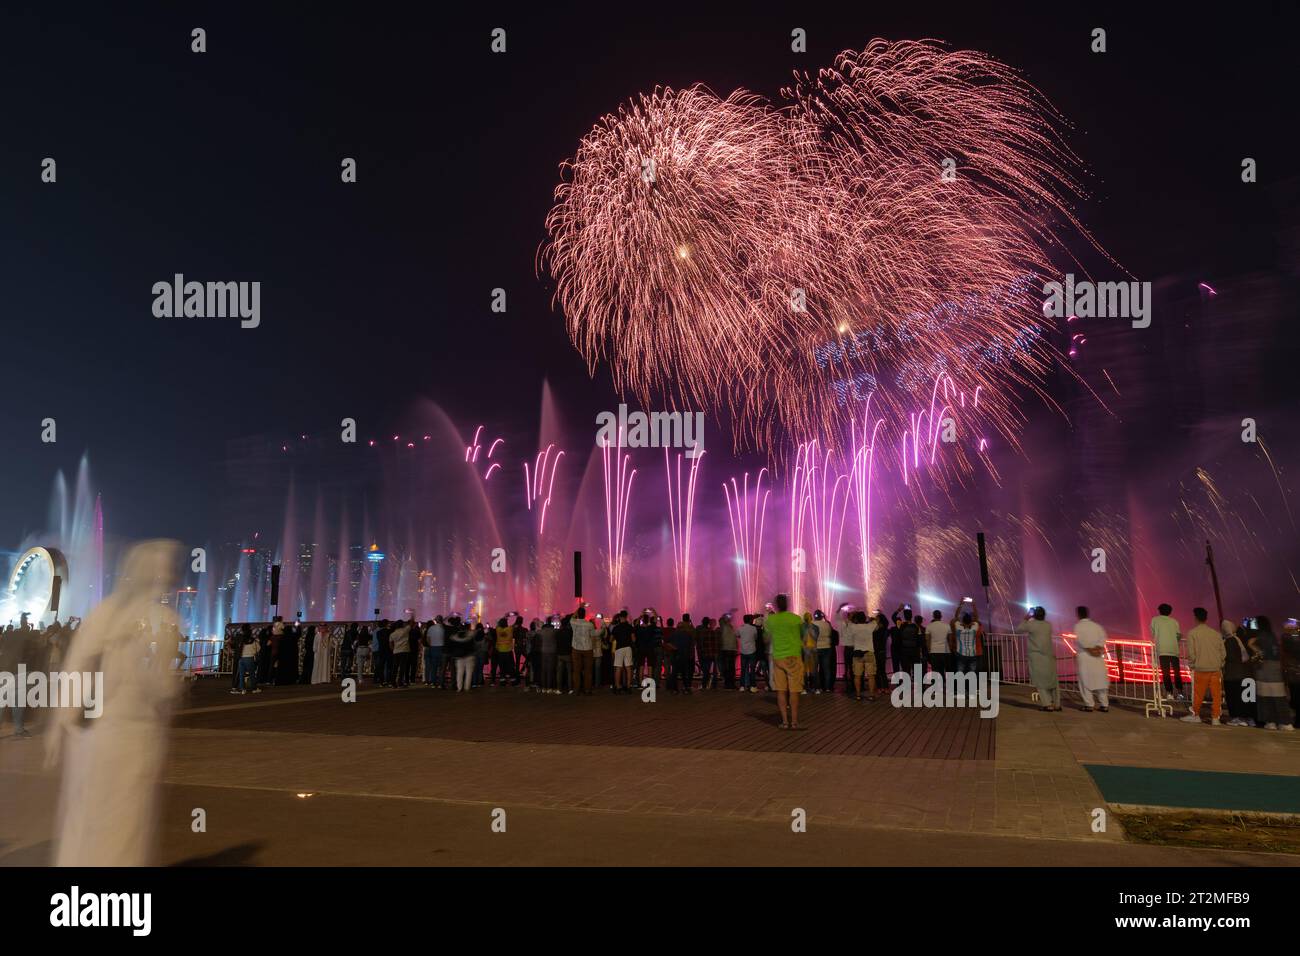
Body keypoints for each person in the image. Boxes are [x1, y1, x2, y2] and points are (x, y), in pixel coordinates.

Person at [45, 541, 185, 866]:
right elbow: (162, 688)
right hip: (133, 736)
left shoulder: (107, 611)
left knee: (88, 817)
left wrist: (61, 722)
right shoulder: (162, 619)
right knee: (123, 825)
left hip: (98, 736)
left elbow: (75, 667)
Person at [1247, 617, 1295, 731]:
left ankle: (1271, 721)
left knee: (1265, 699)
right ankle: (1285, 722)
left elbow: (1257, 651)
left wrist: (1251, 645)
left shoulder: (1260, 637)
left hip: (1264, 670)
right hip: (1276, 670)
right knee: (1279, 698)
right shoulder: (1272, 636)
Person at [766, 595, 805, 729]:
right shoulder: (796, 618)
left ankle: (784, 721)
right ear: (787, 604)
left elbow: (766, 638)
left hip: (778, 657)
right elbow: (803, 635)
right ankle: (794, 722)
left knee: (781, 690)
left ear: (776, 605)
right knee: (794, 691)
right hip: (793, 656)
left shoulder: (771, 620)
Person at [1181, 607, 1225, 725]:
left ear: (1195, 618)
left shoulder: (1192, 633)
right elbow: (1223, 652)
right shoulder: (1216, 634)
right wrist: (1220, 664)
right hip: (1215, 668)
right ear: (1206, 618)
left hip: (1201, 668)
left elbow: (1191, 653)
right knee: (1216, 695)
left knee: (1198, 694)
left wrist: (1192, 665)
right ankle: (1215, 718)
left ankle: (1196, 715)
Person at [1016, 606, 1060, 711]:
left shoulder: (1031, 625)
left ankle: (1047, 704)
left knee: (1040, 681)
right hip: (1049, 656)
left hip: (1036, 657)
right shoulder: (1048, 625)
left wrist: (1026, 618)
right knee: (1053, 681)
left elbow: (1019, 629)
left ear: (1034, 614)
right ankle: (1057, 704)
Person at [1074, 606, 1109, 712]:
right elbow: (1103, 637)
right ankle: (1104, 704)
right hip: (1098, 655)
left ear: (1078, 614)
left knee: (1085, 680)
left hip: (1085, 655)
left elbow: (1081, 640)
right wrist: (1097, 648)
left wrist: (1090, 650)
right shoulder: (1097, 626)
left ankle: (1089, 704)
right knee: (1100, 680)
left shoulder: (1078, 626)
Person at [1221, 619, 1255, 726]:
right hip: (1245, 673)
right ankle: (1248, 718)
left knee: (1233, 696)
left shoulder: (1229, 641)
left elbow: (1230, 657)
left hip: (1233, 674)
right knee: (1245, 698)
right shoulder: (1240, 640)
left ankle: (1237, 718)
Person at [1150, 603, 1184, 701]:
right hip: (1174, 650)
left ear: (1159, 611)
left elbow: (1153, 633)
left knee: (1166, 673)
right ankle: (1180, 693)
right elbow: (1178, 635)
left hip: (1162, 649)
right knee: (1177, 673)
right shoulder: (1174, 621)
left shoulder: (1154, 620)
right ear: (1170, 612)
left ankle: (1169, 693)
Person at [845, 610, 876, 700]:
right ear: (864, 618)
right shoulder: (870, 626)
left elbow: (848, 624)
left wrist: (851, 617)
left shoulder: (853, 627)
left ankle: (858, 695)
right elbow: (876, 620)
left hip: (857, 654)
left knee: (857, 675)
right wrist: (871, 618)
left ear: (857, 619)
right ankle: (871, 695)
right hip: (869, 652)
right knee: (871, 676)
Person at [948, 600, 983, 674]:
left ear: (962, 621)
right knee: (972, 673)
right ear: (971, 621)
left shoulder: (959, 628)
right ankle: (971, 685)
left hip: (961, 654)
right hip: (972, 654)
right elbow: (976, 618)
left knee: (960, 672)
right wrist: (973, 605)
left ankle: (961, 685)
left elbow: (956, 617)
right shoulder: (974, 629)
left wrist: (960, 604)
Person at [570, 607, 596, 694]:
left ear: (578, 614)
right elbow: (592, 635)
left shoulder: (573, 622)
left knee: (576, 670)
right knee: (588, 670)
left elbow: (572, 617)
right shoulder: (590, 624)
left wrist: (577, 610)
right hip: (587, 648)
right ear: (585, 615)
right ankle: (587, 689)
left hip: (576, 648)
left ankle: (576, 690)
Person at [668, 615, 695, 693]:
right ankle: (686, 688)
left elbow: (668, 643)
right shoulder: (687, 635)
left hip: (676, 655)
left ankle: (675, 689)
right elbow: (691, 644)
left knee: (675, 673)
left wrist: (674, 648)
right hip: (685, 656)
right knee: (684, 673)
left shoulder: (674, 634)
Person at [610, 611, 636, 694]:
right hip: (628, 648)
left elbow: (611, 639)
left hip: (619, 648)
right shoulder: (629, 627)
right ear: (626, 617)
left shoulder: (616, 628)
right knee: (628, 668)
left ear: (620, 617)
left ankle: (618, 687)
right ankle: (628, 687)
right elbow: (633, 639)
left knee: (618, 667)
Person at [447, 620, 476, 691]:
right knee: (469, 673)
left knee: (459, 673)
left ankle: (459, 687)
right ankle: (467, 687)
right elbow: (473, 646)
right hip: (469, 656)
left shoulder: (455, 637)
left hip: (459, 657)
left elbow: (452, 645)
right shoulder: (470, 635)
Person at [925, 609, 951, 677]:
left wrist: (929, 651)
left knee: (936, 671)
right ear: (941, 616)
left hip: (934, 651)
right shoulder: (947, 625)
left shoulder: (929, 626)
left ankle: (938, 686)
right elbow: (950, 640)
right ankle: (949, 685)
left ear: (933, 616)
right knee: (947, 670)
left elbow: (927, 640)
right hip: (945, 651)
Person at [697, 617, 720, 689]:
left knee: (706, 670)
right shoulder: (714, 632)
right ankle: (714, 685)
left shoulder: (701, 631)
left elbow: (702, 643)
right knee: (714, 670)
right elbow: (716, 644)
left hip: (706, 653)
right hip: (713, 653)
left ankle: (704, 685)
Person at [493, 617, 517, 686]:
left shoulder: (498, 630)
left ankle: (502, 681)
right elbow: (515, 624)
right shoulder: (509, 629)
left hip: (500, 651)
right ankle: (513, 681)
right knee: (511, 667)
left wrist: (504, 618)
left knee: (502, 667)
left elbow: (497, 625)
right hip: (508, 651)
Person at [738, 614, 758, 692]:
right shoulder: (753, 628)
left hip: (743, 651)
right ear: (750, 620)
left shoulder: (740, 628)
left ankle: (742, 686)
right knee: (752, 669)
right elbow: (756, 637)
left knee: (743, 669)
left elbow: (737, 635)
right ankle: (753, 686)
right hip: (752, 651)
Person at [800, 612, 818, 696]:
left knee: (813, 669)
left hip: (812, 650)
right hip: (805, 649)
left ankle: (813, 687)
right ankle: (806, 687)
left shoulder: (815, 627)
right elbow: (800, 638)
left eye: (809, 617)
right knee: (805, 670)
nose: (808, 618)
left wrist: (810, 629)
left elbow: (815, 637)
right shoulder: (801, 627)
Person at [424, 617, 445, 687]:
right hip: (442, 648)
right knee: (442, 667)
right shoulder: (443, 628)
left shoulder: (431, 628)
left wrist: (431, 645)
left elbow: (428, 639)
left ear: (436, 621)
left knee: (434, 666)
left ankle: (433, 682)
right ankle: (441, 682)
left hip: (433, 647)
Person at [555, 616, 574, 694]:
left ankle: (559, 689)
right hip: (567, 653)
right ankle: (570, 689)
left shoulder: (558, 632)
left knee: (559, 672)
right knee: (569, 672)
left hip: (559, 654)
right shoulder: (569, 632)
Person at [718, 614, 737, 689]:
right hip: (729, 649)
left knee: (729, 667)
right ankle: (729, 683)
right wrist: (729, 613)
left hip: (728, 649)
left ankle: (729, 683)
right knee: (729, 667)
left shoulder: (729, 627)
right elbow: (721, 619)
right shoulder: (726, 627)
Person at [540, 617, 558, 693]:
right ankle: (550, 687)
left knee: (544, 670)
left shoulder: (542, 631)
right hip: (552, 652)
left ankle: (544, 688)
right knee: (550, 670)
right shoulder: (554, 631)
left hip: (543, 651)